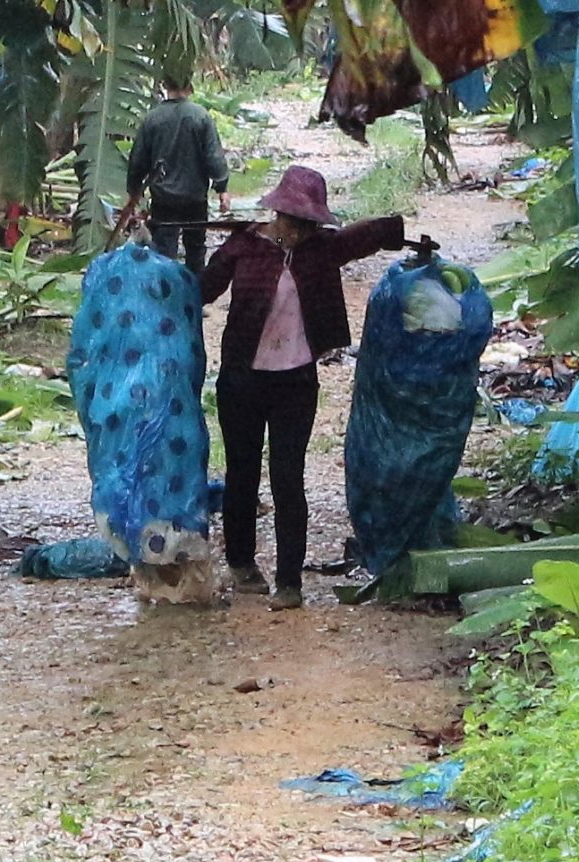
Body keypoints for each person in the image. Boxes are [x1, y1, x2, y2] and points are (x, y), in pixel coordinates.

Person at [201, 165, 407, 608]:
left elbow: (366, 236)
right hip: (242, 379)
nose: (297, 234)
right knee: (241, 474)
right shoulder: (244, 247)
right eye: (292, 224)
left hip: (295, 382)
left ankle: (289, 582)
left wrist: (402, 234)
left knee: (287, 478)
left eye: (307, 226)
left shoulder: (321, 250)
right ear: (277, 215)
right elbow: (200, 289)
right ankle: (241, 564)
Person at [125, 73, 228, 275]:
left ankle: (165, 296)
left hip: (164, 199)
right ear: (189, 86)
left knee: (163, 253)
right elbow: (213, 156)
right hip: (194, 197)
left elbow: (138, 160)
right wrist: (222, 188)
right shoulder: (201, 116)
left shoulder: (152, 118)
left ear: (165, 85)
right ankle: (196, 297)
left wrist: (133, 192)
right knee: (196, 251)